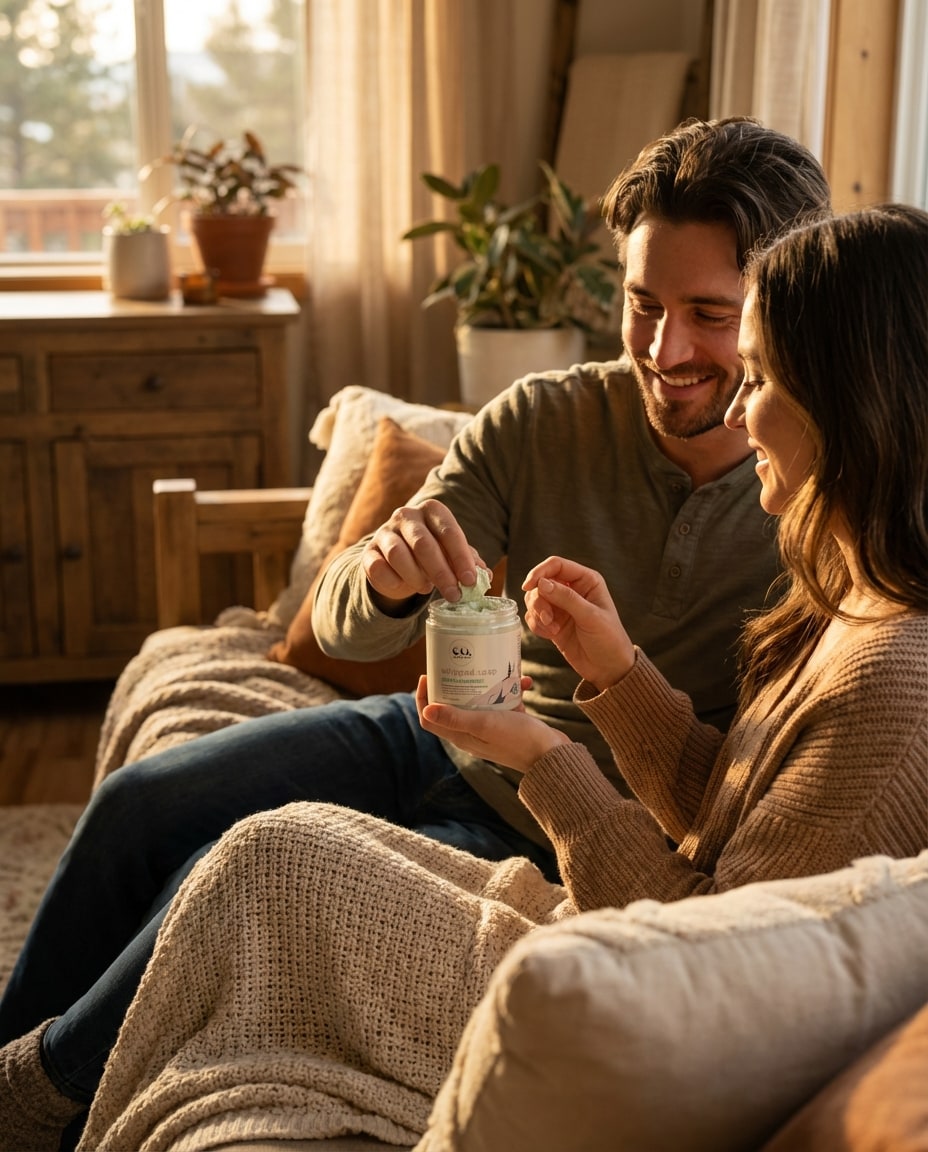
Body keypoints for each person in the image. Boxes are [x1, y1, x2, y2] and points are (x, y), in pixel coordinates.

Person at [0, 117, 834, 1147]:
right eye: (641, 305)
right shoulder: (541, 419)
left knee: (226, 883)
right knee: (142, 806)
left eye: (709, 315)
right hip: (429, 727)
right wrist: (388, 577)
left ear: (783, 315)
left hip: (541, 818)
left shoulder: (817, 499)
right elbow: (339, 633)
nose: (665, 352)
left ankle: (31, 1102)